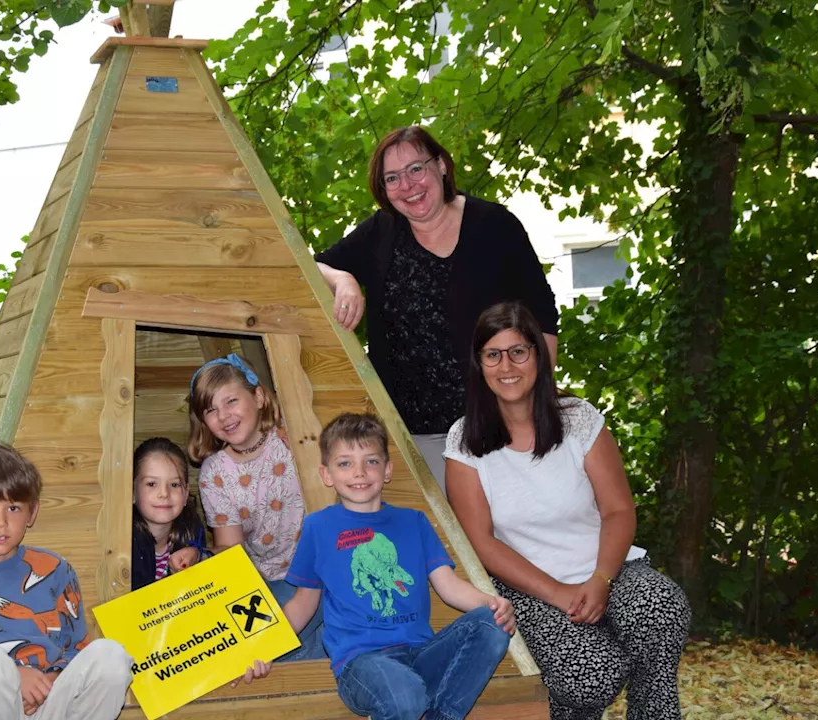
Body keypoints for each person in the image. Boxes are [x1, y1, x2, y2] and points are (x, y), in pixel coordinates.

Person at [443, 301, 690, 720]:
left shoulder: (578, 419)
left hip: (606, 568)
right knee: (590, 676)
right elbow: (481, 543)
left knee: (660, 610)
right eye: (493, 354)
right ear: (479, 364)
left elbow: (618, 511)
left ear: (539, 356)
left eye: (519, 351)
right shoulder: (464, 440)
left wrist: (601, 579)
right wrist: (558, 594)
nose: (507, 365)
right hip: (528, 587)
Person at [314, 125, 559, 492]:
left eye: (416, 168)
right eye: (392, 178)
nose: (408, 185)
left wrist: (534, 407)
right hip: (412, 436)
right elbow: (311, 266)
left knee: (502, 537)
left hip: (496, 427)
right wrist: (344, 279)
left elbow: (543, 317)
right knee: (441, 545)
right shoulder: (381, 233)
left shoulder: (495, 226)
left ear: (441, 165)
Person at [240, 412, 514, 720]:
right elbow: (303, 602)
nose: (359, 472)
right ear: (326, 474)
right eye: (345, 463)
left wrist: (492, 604)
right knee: (405, 695)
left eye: (370, 461)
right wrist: (259, 648)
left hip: (421, 655)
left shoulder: (414, 522)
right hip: (362, 662)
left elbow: (448, 585)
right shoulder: (318, 527)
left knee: (491, 623)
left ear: (387, 470)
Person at [0, 443, 133, 720]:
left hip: (52, 700)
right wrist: (15, 678)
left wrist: (47, 683)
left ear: (32, 512)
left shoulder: (55, 570)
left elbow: (75, 648)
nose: (0, 522)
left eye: (13, 508)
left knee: (111, 656)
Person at [187, 353, 324, 661]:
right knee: (257, 649)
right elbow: (230, 548)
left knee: (279, 648)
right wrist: (204, 565)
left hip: (319, 570)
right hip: (268, 580)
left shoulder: (294, 441)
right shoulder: (215, 472)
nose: (223, 416)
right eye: (211, 410)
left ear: (259, 396)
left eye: (231, 401)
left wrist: (301, 437)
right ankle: (322, 647)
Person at [131, 437, 211, 589]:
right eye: (151, 484)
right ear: (132, 491)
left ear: (186, 493)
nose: (164, 493)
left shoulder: (191, 526)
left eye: (174, 484)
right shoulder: (124, 540)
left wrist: (199, 556)